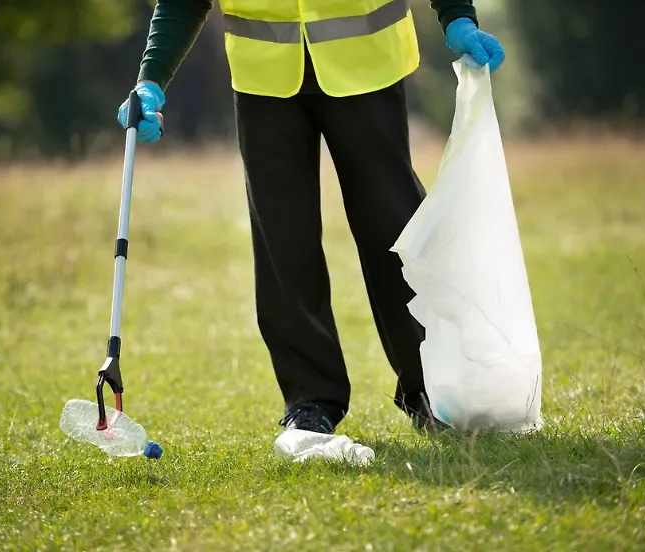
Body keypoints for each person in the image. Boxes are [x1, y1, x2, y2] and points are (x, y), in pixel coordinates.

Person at [117, 0, 505, 436]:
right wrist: (151, 79)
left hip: (367, 65)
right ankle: (310, 402)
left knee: (394, 230)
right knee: (284, 242)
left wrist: (456, 16)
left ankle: (432, 388)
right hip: (264, 79)